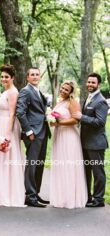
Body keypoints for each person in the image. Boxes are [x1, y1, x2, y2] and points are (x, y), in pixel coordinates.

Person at [0, 65, 25, 207]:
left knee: (9, 157)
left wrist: (7, 135)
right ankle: (1, 191)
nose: (3, 79)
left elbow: (12, 114)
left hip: (8, 126)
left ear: (12, 78)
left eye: (6, 77)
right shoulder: (5, 92)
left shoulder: (12, 92)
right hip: (1, 124)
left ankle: (10, 193)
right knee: (1, 158)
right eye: (2, 76)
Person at [72, 73, 109, 208]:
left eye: (93, 83)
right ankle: (87, 196)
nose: (90, 85)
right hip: (85, 142)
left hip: (96, 143)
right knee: (86, 170)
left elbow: (100, 122)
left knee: (98, 172)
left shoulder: (101, 101)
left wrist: (82, 117)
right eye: (88, 82)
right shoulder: (89, 98)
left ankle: (99, 199)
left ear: (98, 84)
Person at [16, 67, 51, 208]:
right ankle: (30, 196)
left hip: (43, 131)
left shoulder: (37, 91)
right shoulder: (25, 91)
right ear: (27, 77)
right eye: (32, 75)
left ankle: (35, 193)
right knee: (32, 164)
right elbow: (20, 112)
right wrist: (28, 131)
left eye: (37, 74)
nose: (35, 77)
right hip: (33, 134)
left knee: (39, 164)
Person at [49, 80, 87, 208]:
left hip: (69, 137)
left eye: (66, 89)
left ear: (71, 92)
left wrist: (58, 123)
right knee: (60, 164)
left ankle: (71, 198)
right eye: (62, 88)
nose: (63, 91)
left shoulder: (73, 102)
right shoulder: (60, 102)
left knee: (68, 164)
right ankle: (61, 196)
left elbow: (75, 120)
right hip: (59, 136)